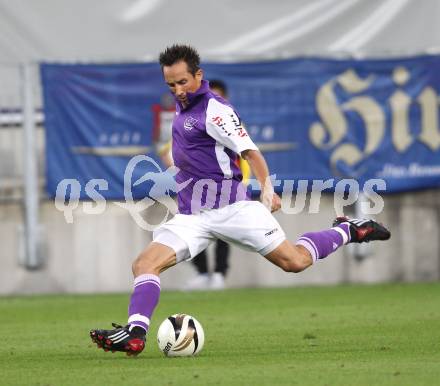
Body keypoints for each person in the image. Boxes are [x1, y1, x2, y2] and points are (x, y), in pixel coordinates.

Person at [90, 44, 390, 356]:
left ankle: (350, 230)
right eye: (171, 84)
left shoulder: (216, 110)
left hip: (234, 209)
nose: (178, 90)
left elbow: (250, 152)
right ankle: (135, 334)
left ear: (198, 75)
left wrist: (267, 189)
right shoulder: (183, 107)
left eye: (183, 82)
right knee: (144, 264)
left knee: (295, 262)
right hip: (192, 215)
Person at [183, 79, 250, 291]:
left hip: (228, 186)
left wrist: (243, 183)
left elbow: (247, 154)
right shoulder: (192, 121)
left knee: (225, 232)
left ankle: (219, 274)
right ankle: (202, 273)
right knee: (193, 227)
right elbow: (170, 149)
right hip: (198, 188)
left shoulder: (231, 122)